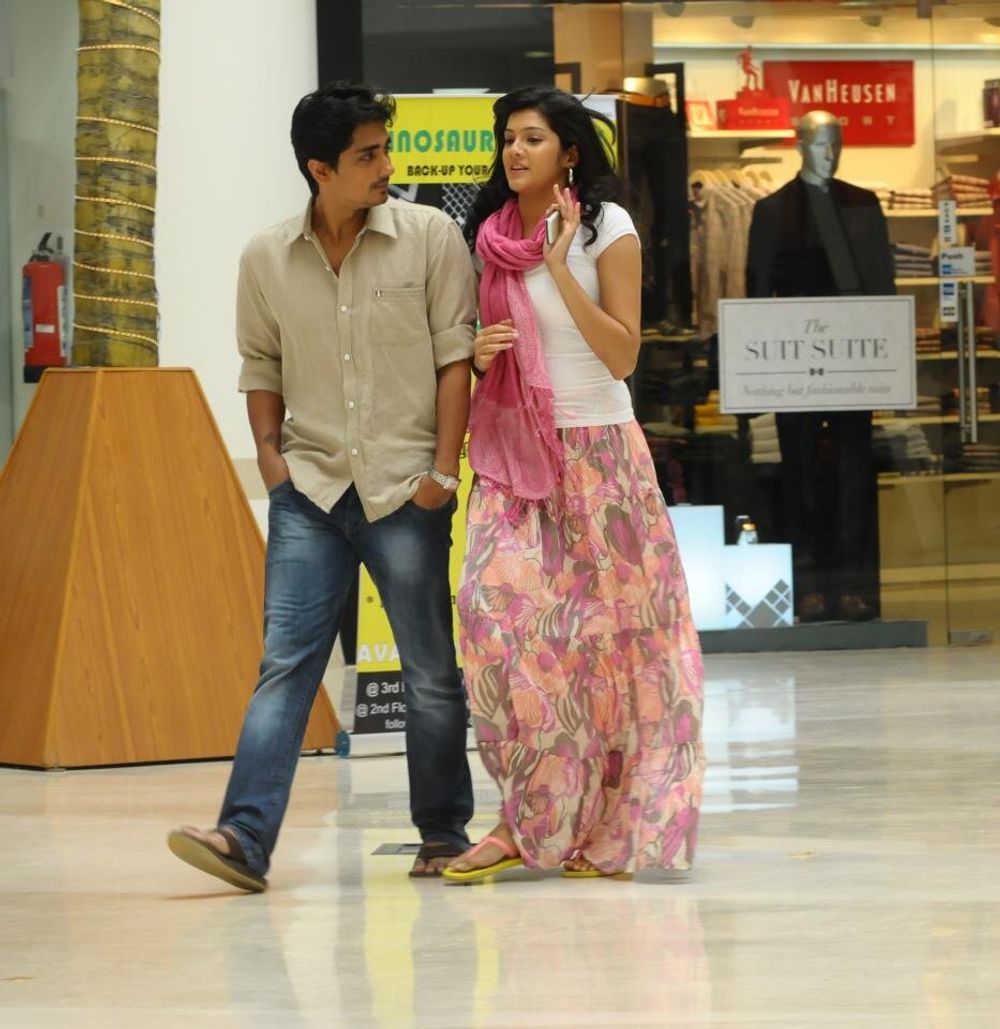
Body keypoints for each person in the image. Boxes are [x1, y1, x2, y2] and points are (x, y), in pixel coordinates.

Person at [167, 82, 476, 891]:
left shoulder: (431, 237)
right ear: (320, 169)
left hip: (405, 489)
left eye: (385, 149)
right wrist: (273, 463)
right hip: (310, 489)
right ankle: (243, 838)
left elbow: (456, 358)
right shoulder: (265, 257)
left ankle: (443, 833)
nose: (387, 166)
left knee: (429, 671)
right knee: (285, 666)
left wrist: (443, 472)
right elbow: (260, 365)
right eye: (368, 155)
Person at [444, 86, 705, 882]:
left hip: (600, 454)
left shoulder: (605, 228)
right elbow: (479, 345)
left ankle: (611, 821)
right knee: (495, 621)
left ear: (569, 153)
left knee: (614, 647)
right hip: (515, 456)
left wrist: (560, 266)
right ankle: (528, 813)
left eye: (532, 138)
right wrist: (479, 353)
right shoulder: (488, 238)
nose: (514, 151)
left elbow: (622, 355)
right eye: (507, 138)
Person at [746, 110, 893, 623]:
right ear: (800, 146)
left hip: (853, 358)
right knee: (800, 473)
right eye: (821, 145)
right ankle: (807, 584)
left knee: (855, 473)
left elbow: (883, 286)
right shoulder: (772, 211)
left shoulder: (864, 204)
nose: (830, 154)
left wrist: (886, 360)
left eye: (836, 144)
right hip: (795, 362)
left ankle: (853, 585)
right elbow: (756, 295)